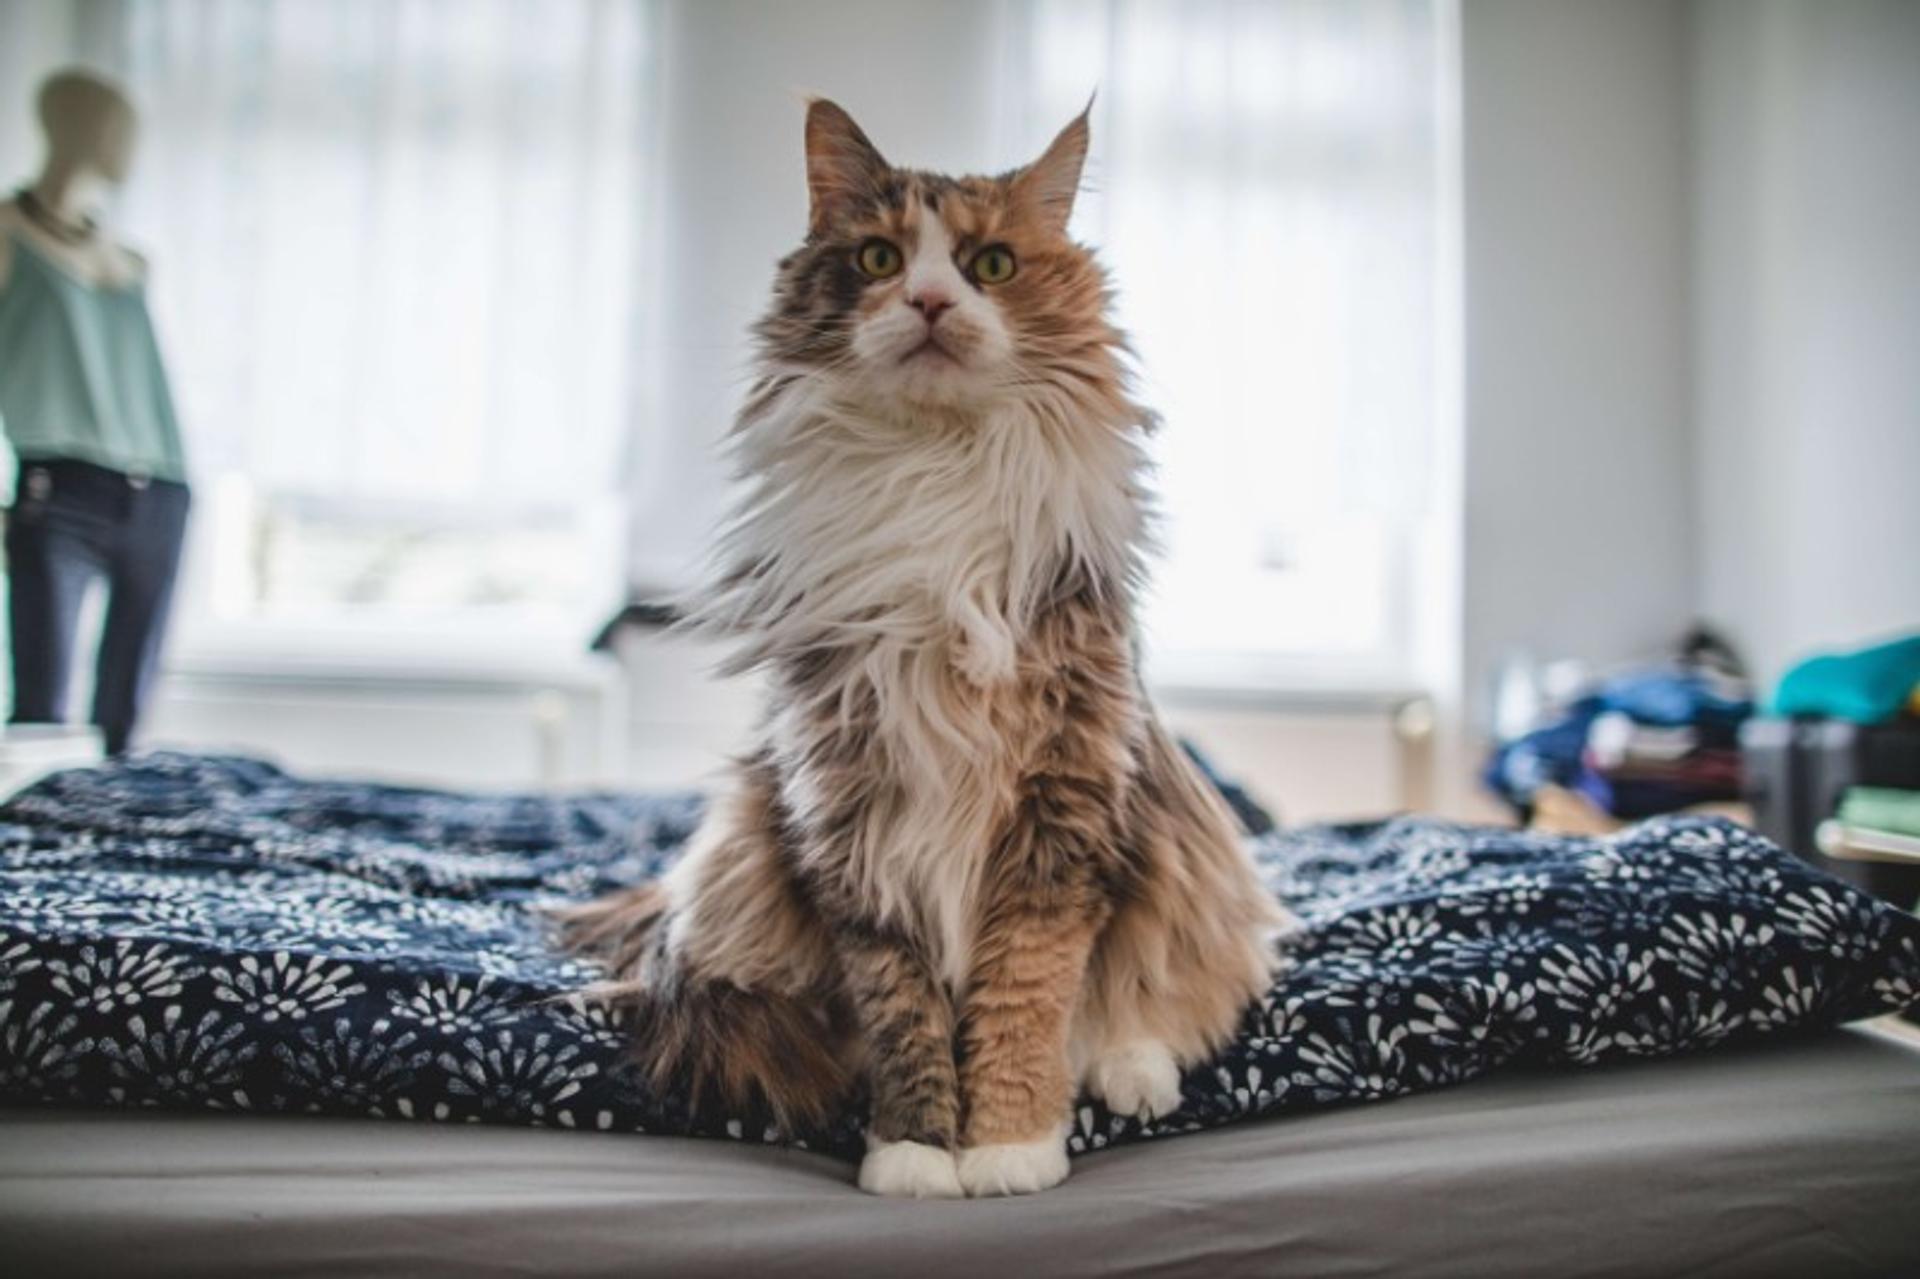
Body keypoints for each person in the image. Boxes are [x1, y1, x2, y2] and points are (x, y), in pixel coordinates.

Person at [0, 69, 189, 755]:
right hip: (59, 485)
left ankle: (114, 849)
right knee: (42, 715)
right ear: (64, 126)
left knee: (122, 724)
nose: (127, 144)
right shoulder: (7, 233)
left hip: (162, 484)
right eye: (113, 125)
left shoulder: (132, 259)